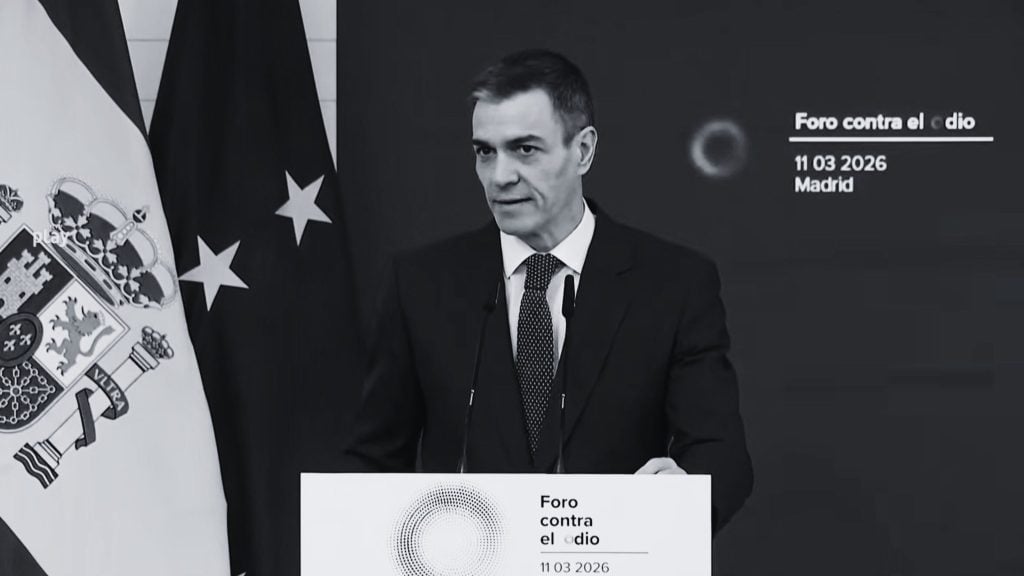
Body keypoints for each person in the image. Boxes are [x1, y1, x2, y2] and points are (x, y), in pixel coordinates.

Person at [344, 49, 753, 532]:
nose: (499, 176)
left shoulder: (674, 282)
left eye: (525, 149)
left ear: (582, 151)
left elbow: (719, 453)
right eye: (484, 151)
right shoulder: (422, 284)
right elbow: (373, 460)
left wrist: (677, 504)